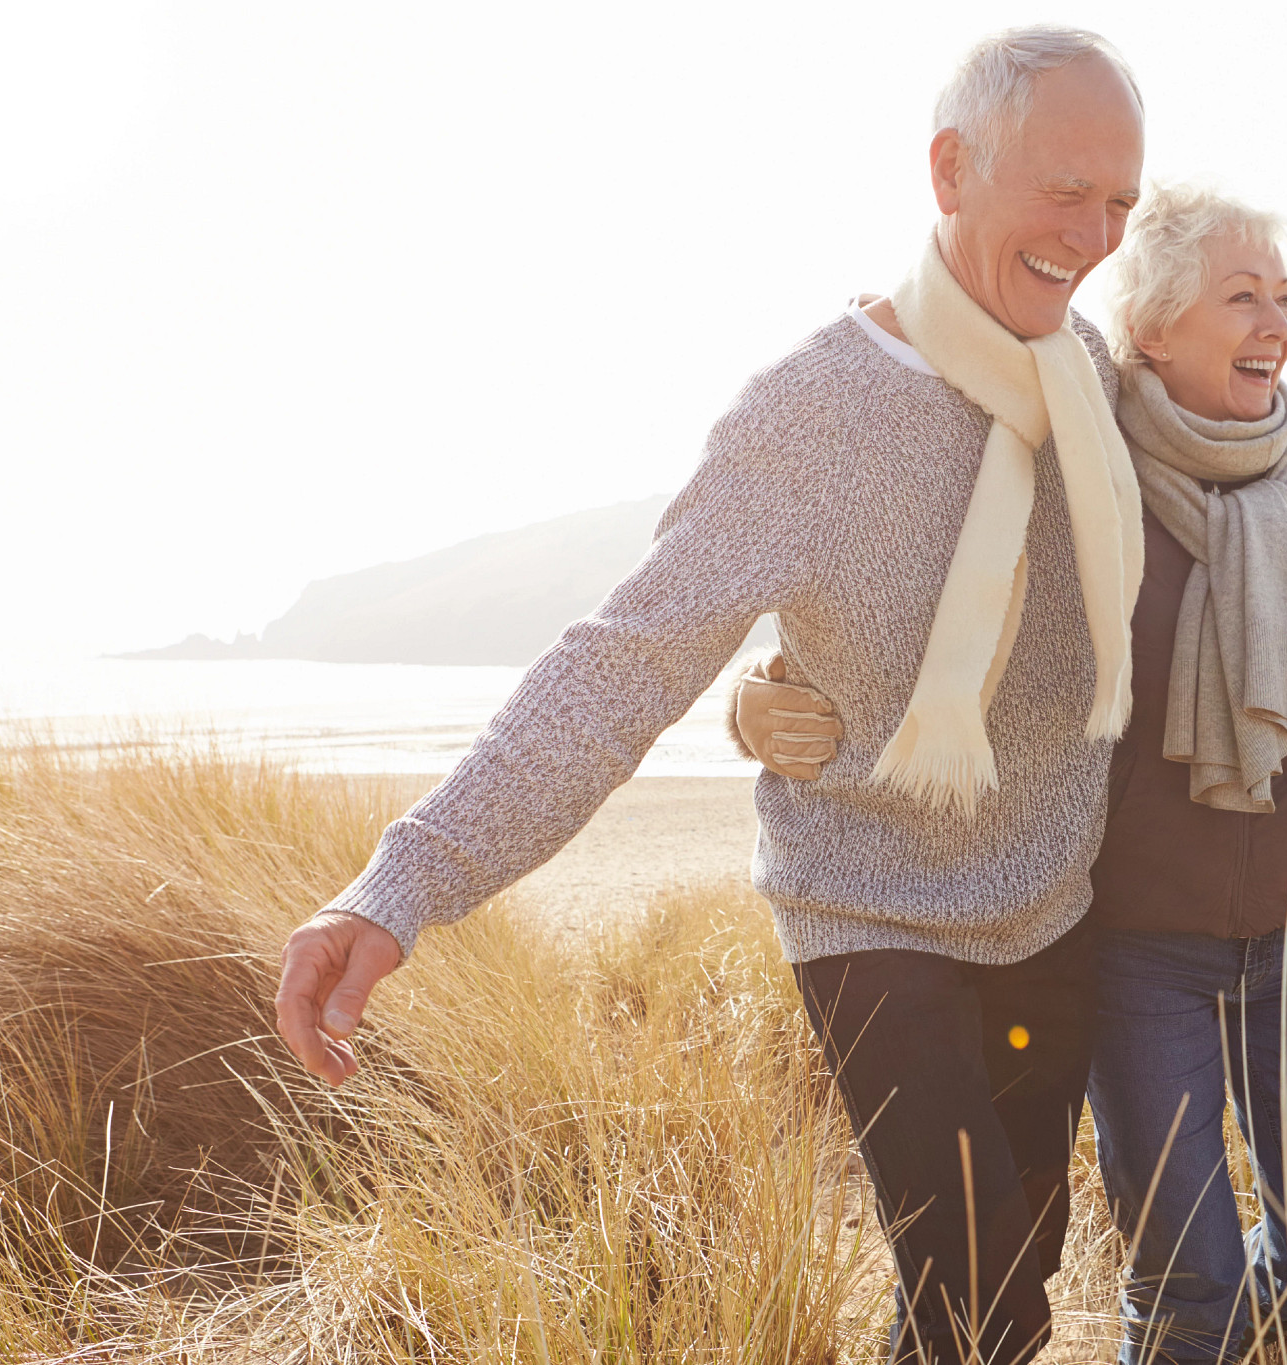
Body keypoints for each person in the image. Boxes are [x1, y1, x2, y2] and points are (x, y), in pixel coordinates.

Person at [279, 26, 1158, 1365]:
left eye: (1119, 204)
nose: (1092, 234)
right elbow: (624, 661)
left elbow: (1223, 479)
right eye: (1062, 190)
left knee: (988, 1303)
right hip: (870, 907)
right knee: (984, 1295)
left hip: (1052, 904)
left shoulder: (1085, 377)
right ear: (950, 169)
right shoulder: (808, 417)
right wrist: (403, 880)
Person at [729, 183, 1287, 1363]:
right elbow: (920, 620)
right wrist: (762, 694)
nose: (1275, 321)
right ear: (1151, 330)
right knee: (1186, 1284)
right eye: (1239, 297)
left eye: (1282, 297)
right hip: (1131, 951)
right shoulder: (1072, 484)